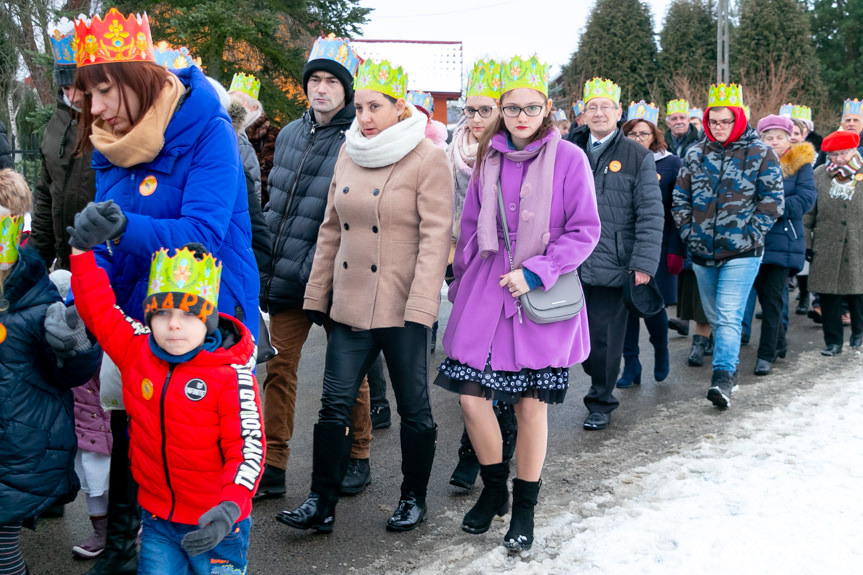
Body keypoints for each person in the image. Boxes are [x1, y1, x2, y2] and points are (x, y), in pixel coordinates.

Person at [71, 9, 259, 574]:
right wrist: (81, 279)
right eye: (88, 96)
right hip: (140, 317)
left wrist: (123, 229)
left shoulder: (206, 130)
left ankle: (218, 541)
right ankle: (132, 546)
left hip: (203, 313)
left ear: (139, 78)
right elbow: (105, 241)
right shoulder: (113, 142)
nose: (95, 109)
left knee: (206, 437)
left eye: (104, 90)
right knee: (142, 432)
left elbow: (204, 234)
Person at [276, 58, 452, 534]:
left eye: (375, 106)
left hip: (401, 305)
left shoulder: (426, 157)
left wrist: (421, 306)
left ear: (400, 108)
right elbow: (331, 228)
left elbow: (437, 238)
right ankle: (321, 502)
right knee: (333, 404)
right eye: (359, 107)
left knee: (413, 407)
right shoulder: (349, 151)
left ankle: (413, 498)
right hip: (351, 302)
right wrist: (318, 291)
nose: (365, 116)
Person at [436, 55, 600, 552]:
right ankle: (493, 491)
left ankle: (524, 506)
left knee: (531, 408)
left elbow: (585, 230)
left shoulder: (570, 158)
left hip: (539, 294)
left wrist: (537, 271)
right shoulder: (489, 157)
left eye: (531, 107)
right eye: (512, 108)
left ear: (548, 108)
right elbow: (469, 226)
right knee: (471, 398)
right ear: (501, 112)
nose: (521, 116)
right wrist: (460, 281)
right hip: (486, 289)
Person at [69, 241, 263, 574]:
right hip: (158, 517)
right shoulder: (135, 351)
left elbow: (248, 450)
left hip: (216, 521)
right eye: (162, 313)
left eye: (188, 314)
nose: (174, 324)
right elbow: (98, 309)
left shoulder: (231, 376)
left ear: (209, 321)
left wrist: (230, 507)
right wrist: (81, 251)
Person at [258, 34, 375, 499]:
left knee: (348, 374)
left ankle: (359, 454)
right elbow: (275, 203)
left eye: (332, 81)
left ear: (347, 90)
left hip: (337, 278)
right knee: (277, 370)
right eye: (315, 80)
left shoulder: (360, 139)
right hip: (286, 276)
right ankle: (274, 463)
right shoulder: (287, 133)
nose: (321, 89)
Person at [0, 168, 102, 575]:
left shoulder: (38, 299)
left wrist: (76, 345)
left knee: (4, 551)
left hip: (18, 450)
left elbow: (71, 375)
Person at [672, 84, 784, 409]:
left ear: (738, 119)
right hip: (702, 249)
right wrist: (689, 233)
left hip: (743, 252)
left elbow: (773, 201)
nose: (719, 127)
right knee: (715, 316)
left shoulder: (761, 153)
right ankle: (729, 369)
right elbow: (680, 197)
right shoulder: (694, 153)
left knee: (729, 314)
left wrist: (751, 234)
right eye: (714, 121)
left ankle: (722, 376)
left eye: (725, 121)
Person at [567, 78, 664, 430]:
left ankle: (601, 401)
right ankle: (595, 373)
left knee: (606, 337)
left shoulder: (636, 155)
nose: (598, 112)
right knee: (576, 336)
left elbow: (651, 213)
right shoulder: (568, 148)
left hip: (615, 261)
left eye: (605, 106)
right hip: (571, 260)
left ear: (618, 113)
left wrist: (642, 264)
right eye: (591, 106)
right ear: (582, 113)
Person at [445, 59, 517, 492]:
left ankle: (482, 459)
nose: (474, 119)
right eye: (469, 110)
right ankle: (475, 451)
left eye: (484, 111)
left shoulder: (512, 155)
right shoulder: (450, 152)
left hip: (507, 273)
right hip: (465, 265)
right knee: (472, 371)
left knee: (501, 375)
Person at [742, 115, 816, 375]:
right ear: (761, 139)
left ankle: (766, 354)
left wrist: (770, 206)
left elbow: (806, 199)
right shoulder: (752, 163)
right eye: (768, 137)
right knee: (760, 294)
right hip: (752, 240)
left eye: (779, 137)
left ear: (789, 138)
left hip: (783, 241)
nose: (774, 142)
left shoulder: (800, 166)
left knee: (772, 300)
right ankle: (780, 343)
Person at [616, 102, 683, 387]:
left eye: (643, 134)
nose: (638, 139)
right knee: (626, 308)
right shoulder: (617, 161)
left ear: (654, 136)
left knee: (653, 305)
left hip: (657, 244)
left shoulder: (671, 163)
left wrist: (675, 249)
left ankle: (661, 350)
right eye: (632, 134)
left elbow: (677, 208)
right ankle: (631, 365)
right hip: (623, 247)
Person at [31, 17, 96, 272]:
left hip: (103, 265)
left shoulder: (115, 124)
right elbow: (46, 199)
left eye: (80, 87)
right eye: (66, 87)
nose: (74, 96)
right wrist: (34, 267)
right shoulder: (56, 124)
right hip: (65, 263)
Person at [804, 130, 863, 356]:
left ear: (853, 150)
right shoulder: (820, 173)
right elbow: (809, 210)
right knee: (829, 294)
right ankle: (833, 341)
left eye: (842, 154)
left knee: (858, 291)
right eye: (833, 155)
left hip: (858, 240)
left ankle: (859, 333)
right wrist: (807, 242)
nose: (837, 159)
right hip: (826, 241)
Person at [227, 72, 263, 204]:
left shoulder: (267, 136)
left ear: (253, 106)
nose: (231, 102)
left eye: (238, 99)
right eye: (230, 96)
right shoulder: (222, 127)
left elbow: (253, 191)